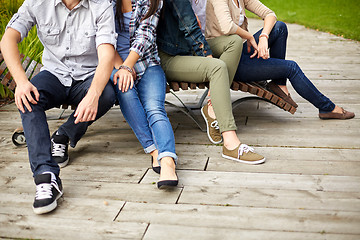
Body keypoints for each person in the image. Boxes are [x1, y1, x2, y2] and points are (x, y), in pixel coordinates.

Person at [0, 0, 117, 214]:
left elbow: (107, 55)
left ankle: (64, 134)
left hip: (87, 76)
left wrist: (93, 95)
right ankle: (46, 176)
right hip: (54, 74)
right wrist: (22, 82)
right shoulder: (38, 2)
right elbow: (8, 38)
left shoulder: (101, 5)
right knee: (28, 98)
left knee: (107, 93)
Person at [203, 0, 355, 120]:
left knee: (280, 27)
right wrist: (250, 36)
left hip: (242, 50)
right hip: (229, 61)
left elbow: (270, 14)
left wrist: (264, 36)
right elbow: (227, 27)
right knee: (291, 67)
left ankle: (279, 84)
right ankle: (327, 108)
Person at [157, 0, 266, 165]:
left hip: (186, 46)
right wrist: (207, 57)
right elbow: (189, 25)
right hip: (170, 55)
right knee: (217, 67)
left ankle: (212, 108)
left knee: (234, 41)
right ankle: (230, 143)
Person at [110, 0, 178, 189]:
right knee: (125, 90)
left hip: (146, 63)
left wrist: (128, 65)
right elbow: (104, 38)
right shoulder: (106, 2)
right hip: (115, 65)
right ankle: (156, 152)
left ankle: (168, 162)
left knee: (155, 108)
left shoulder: (151, 1)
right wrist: (121, 68)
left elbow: (145, 36)